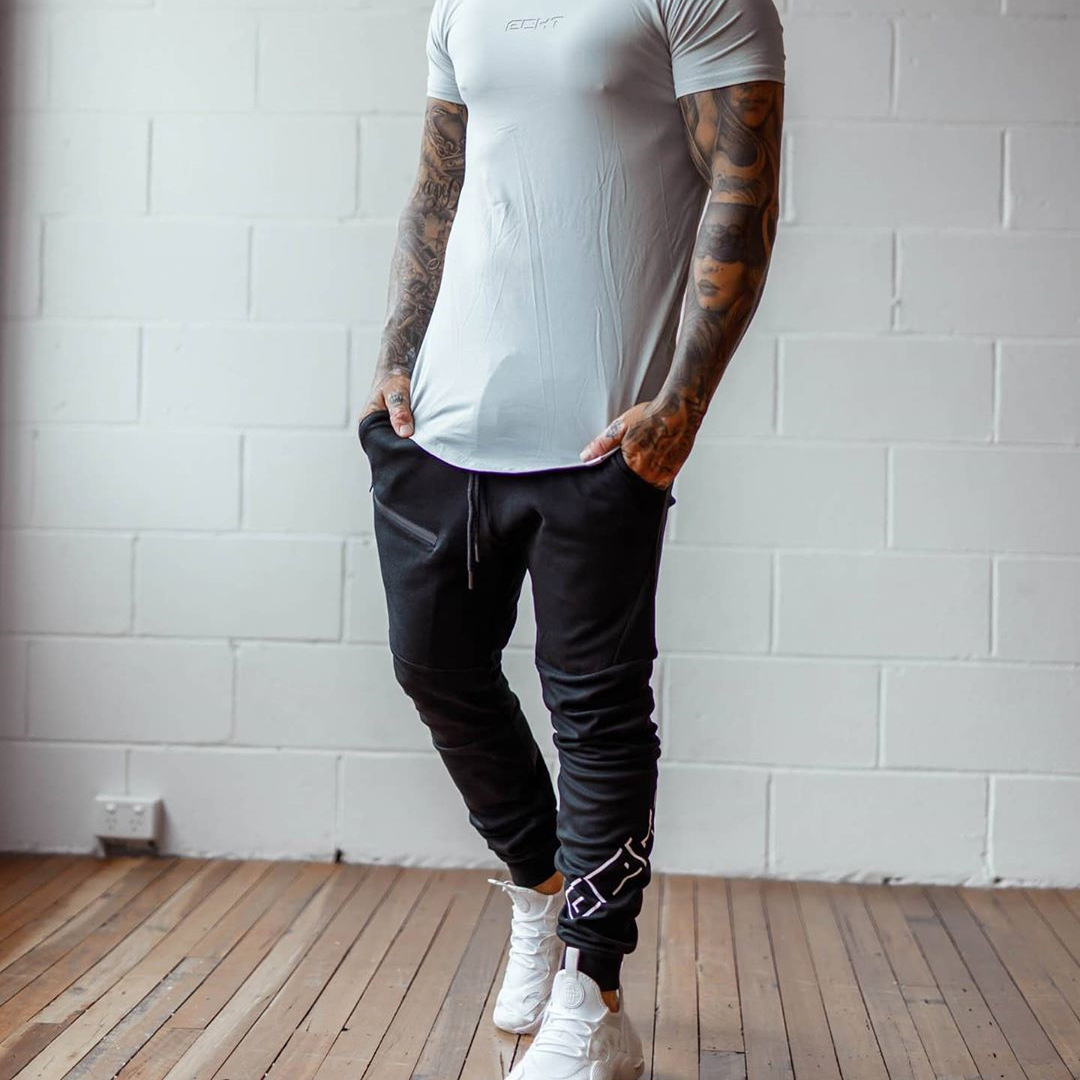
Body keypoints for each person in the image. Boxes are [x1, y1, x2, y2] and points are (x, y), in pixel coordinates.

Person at [356, 0, 784, 1074]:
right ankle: (539, 892)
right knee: (433, 667)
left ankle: (593, 994)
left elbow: (742, 187)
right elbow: (441, 184)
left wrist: (682, 406)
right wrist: (396, 351)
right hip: (440, 424)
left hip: (601, 436)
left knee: (594, 711)